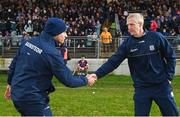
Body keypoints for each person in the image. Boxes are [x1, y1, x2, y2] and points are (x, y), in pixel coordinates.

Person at [89, 13, 179, 116]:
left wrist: (168, 77)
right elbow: (113, 61)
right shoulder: (128, 44)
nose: (128, 28)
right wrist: (97, 75)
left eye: (132, 24)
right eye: (128, 25)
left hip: (161, 86)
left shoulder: (156, 37)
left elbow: (171, 57)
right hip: (142, 88)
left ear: (140, 24)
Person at [4, 18, 96, 116]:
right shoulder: (51, 53)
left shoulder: (28, 42)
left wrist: (10, 84)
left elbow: (14, 65)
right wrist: (86, 80)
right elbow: (68, 80)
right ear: (55, 33)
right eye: (64, 32)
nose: (66, 35)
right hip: (32, 99)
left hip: (20, 94)